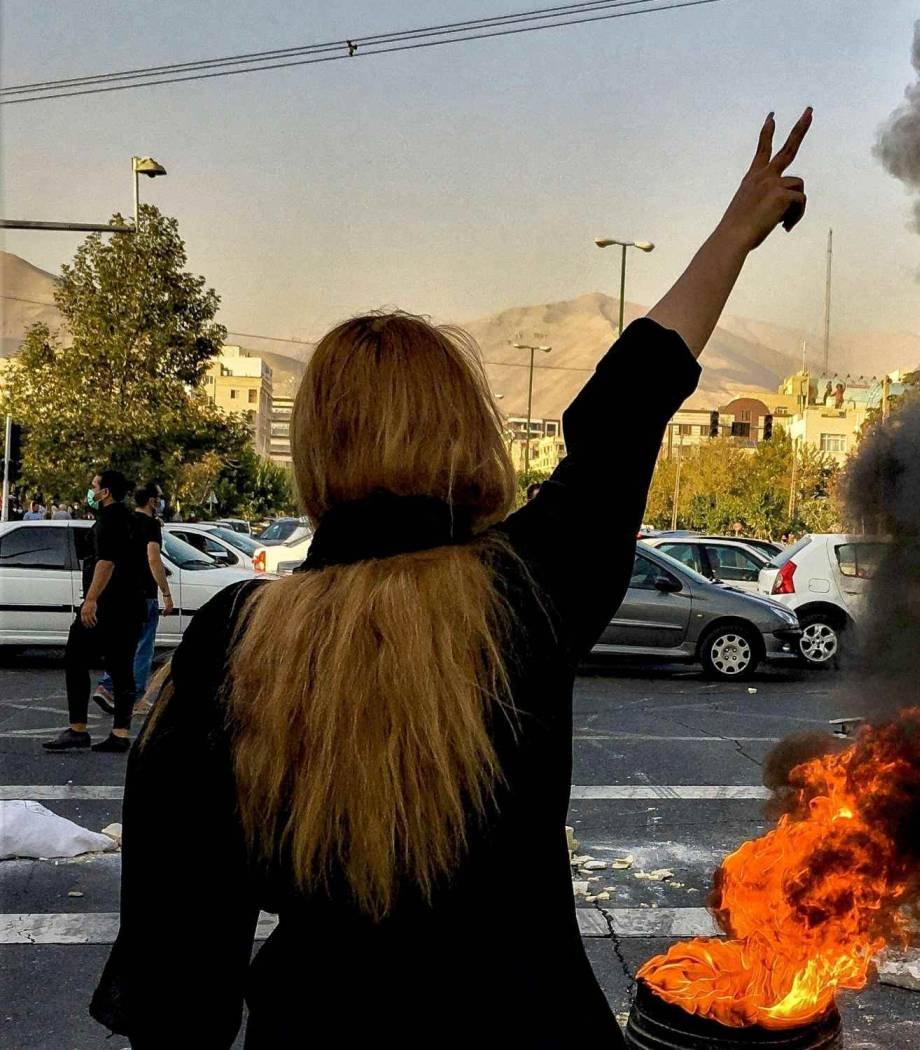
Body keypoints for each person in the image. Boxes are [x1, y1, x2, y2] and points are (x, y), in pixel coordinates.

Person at [91, 107, 812, 1047]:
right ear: (464, 430)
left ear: (315, 450)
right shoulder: (526, 589)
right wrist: (733, 234)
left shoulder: (235, 637)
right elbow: (627, 407)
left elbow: (178, 969)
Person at [43, 470, 149, 753]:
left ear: (105, 492)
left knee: (75, 658)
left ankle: (78, 729)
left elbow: (106, 562)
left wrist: (90, 600)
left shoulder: (109, 521)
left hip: (108, 607)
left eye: (94, 487)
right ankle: (120, 733)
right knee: (121, 667)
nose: (90, 491)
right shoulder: (132, 519)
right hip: (131, 606)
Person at [92, 485, 173, 715]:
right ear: (151, 501)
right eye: (159, 497)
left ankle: (107, 685)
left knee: (122, 645)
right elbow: (153, 558)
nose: (161, 501)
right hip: (143, 595)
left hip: (120, 592)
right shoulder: (150, 525)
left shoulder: (125, 520)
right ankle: (135, 698)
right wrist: (165, 592)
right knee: (143, 647)